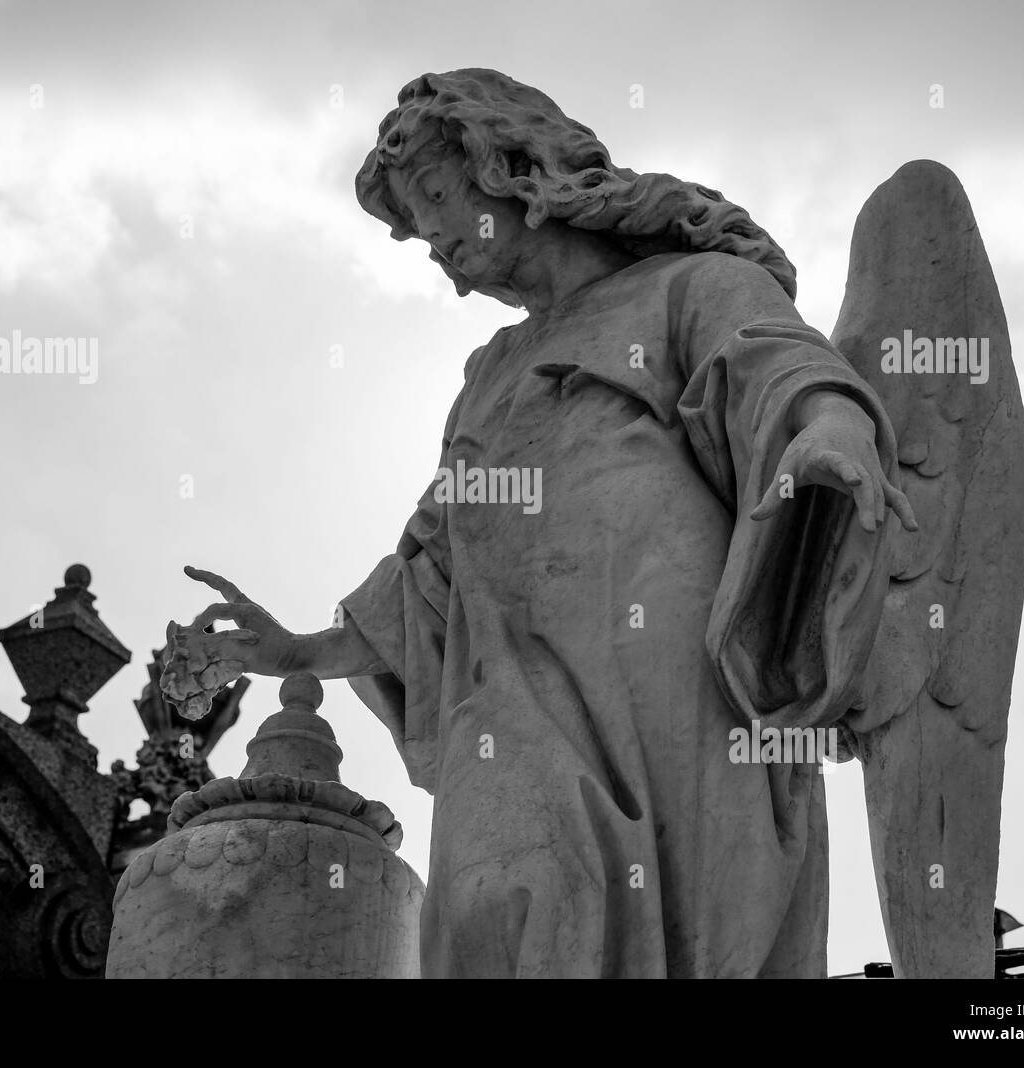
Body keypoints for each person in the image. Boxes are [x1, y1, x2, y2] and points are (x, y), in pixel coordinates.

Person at [177, 69, 915, 978]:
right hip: (509, 689)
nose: (437, 239)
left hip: (678, 674)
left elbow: (784, 377)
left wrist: (829, 437)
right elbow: (430, 579)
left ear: (516, 167)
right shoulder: (488, 374)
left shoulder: (689, 288)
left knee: (686, 931)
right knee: (505, 889)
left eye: (440, 197)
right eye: (419, 227)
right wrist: (299, 654)